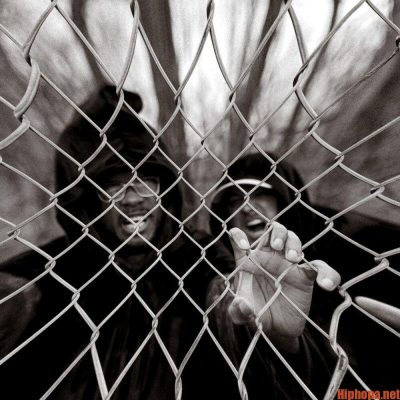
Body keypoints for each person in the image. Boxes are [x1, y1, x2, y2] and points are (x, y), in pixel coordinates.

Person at [0, 87, 339, 400]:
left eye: (145, 179)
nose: (134, 198)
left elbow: (228, 302)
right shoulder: (46, 276)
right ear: (86, 200)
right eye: (114, 185)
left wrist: (274, 338)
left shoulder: (198, 257)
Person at [209, 151, 400, 390]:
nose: (246, 207)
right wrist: (283, 341)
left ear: (285, 198)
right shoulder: (223, 278)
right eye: (234, 201)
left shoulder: (352, 241)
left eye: (259, 193)